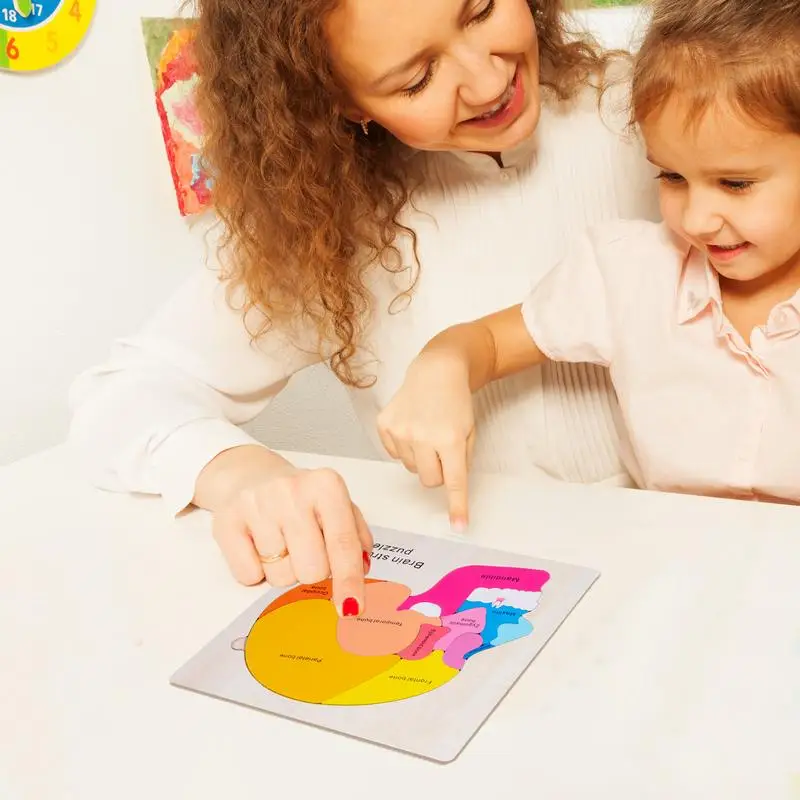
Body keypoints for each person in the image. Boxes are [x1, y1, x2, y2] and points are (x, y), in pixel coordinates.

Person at [67, 0, 659, 616]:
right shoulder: (327, 224)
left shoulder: (648, 108)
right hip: (494, 599)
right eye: (416, 80)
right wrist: (247, 477)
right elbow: (121, 396)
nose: (488, 82)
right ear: (343, 103)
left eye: (481, 10)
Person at [379, 0, 800, 518]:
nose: (696, 218)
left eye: (735, 184)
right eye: (672, 176)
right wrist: (441, 365)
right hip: (677, 566)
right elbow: (487, 343)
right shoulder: (629, 274)